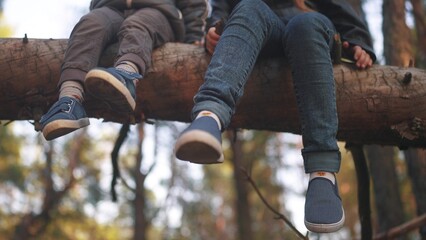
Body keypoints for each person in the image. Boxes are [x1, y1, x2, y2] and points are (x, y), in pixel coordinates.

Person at [174, 0, 376, 233]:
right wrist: (213, 27)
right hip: (261, 29)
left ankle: (323, 172)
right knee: (249, 7)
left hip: (310, 29)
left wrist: (359, 42)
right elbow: (222, 6)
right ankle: (209, 116)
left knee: (305, 25)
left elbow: (339, 7)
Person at [40, 0, 207, 140]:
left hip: (159, 12)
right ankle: (69, 101)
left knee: (138, 25)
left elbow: (193, 3)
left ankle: (126, 75)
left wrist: (193, 37)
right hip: (111, 8)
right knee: (89, 24)